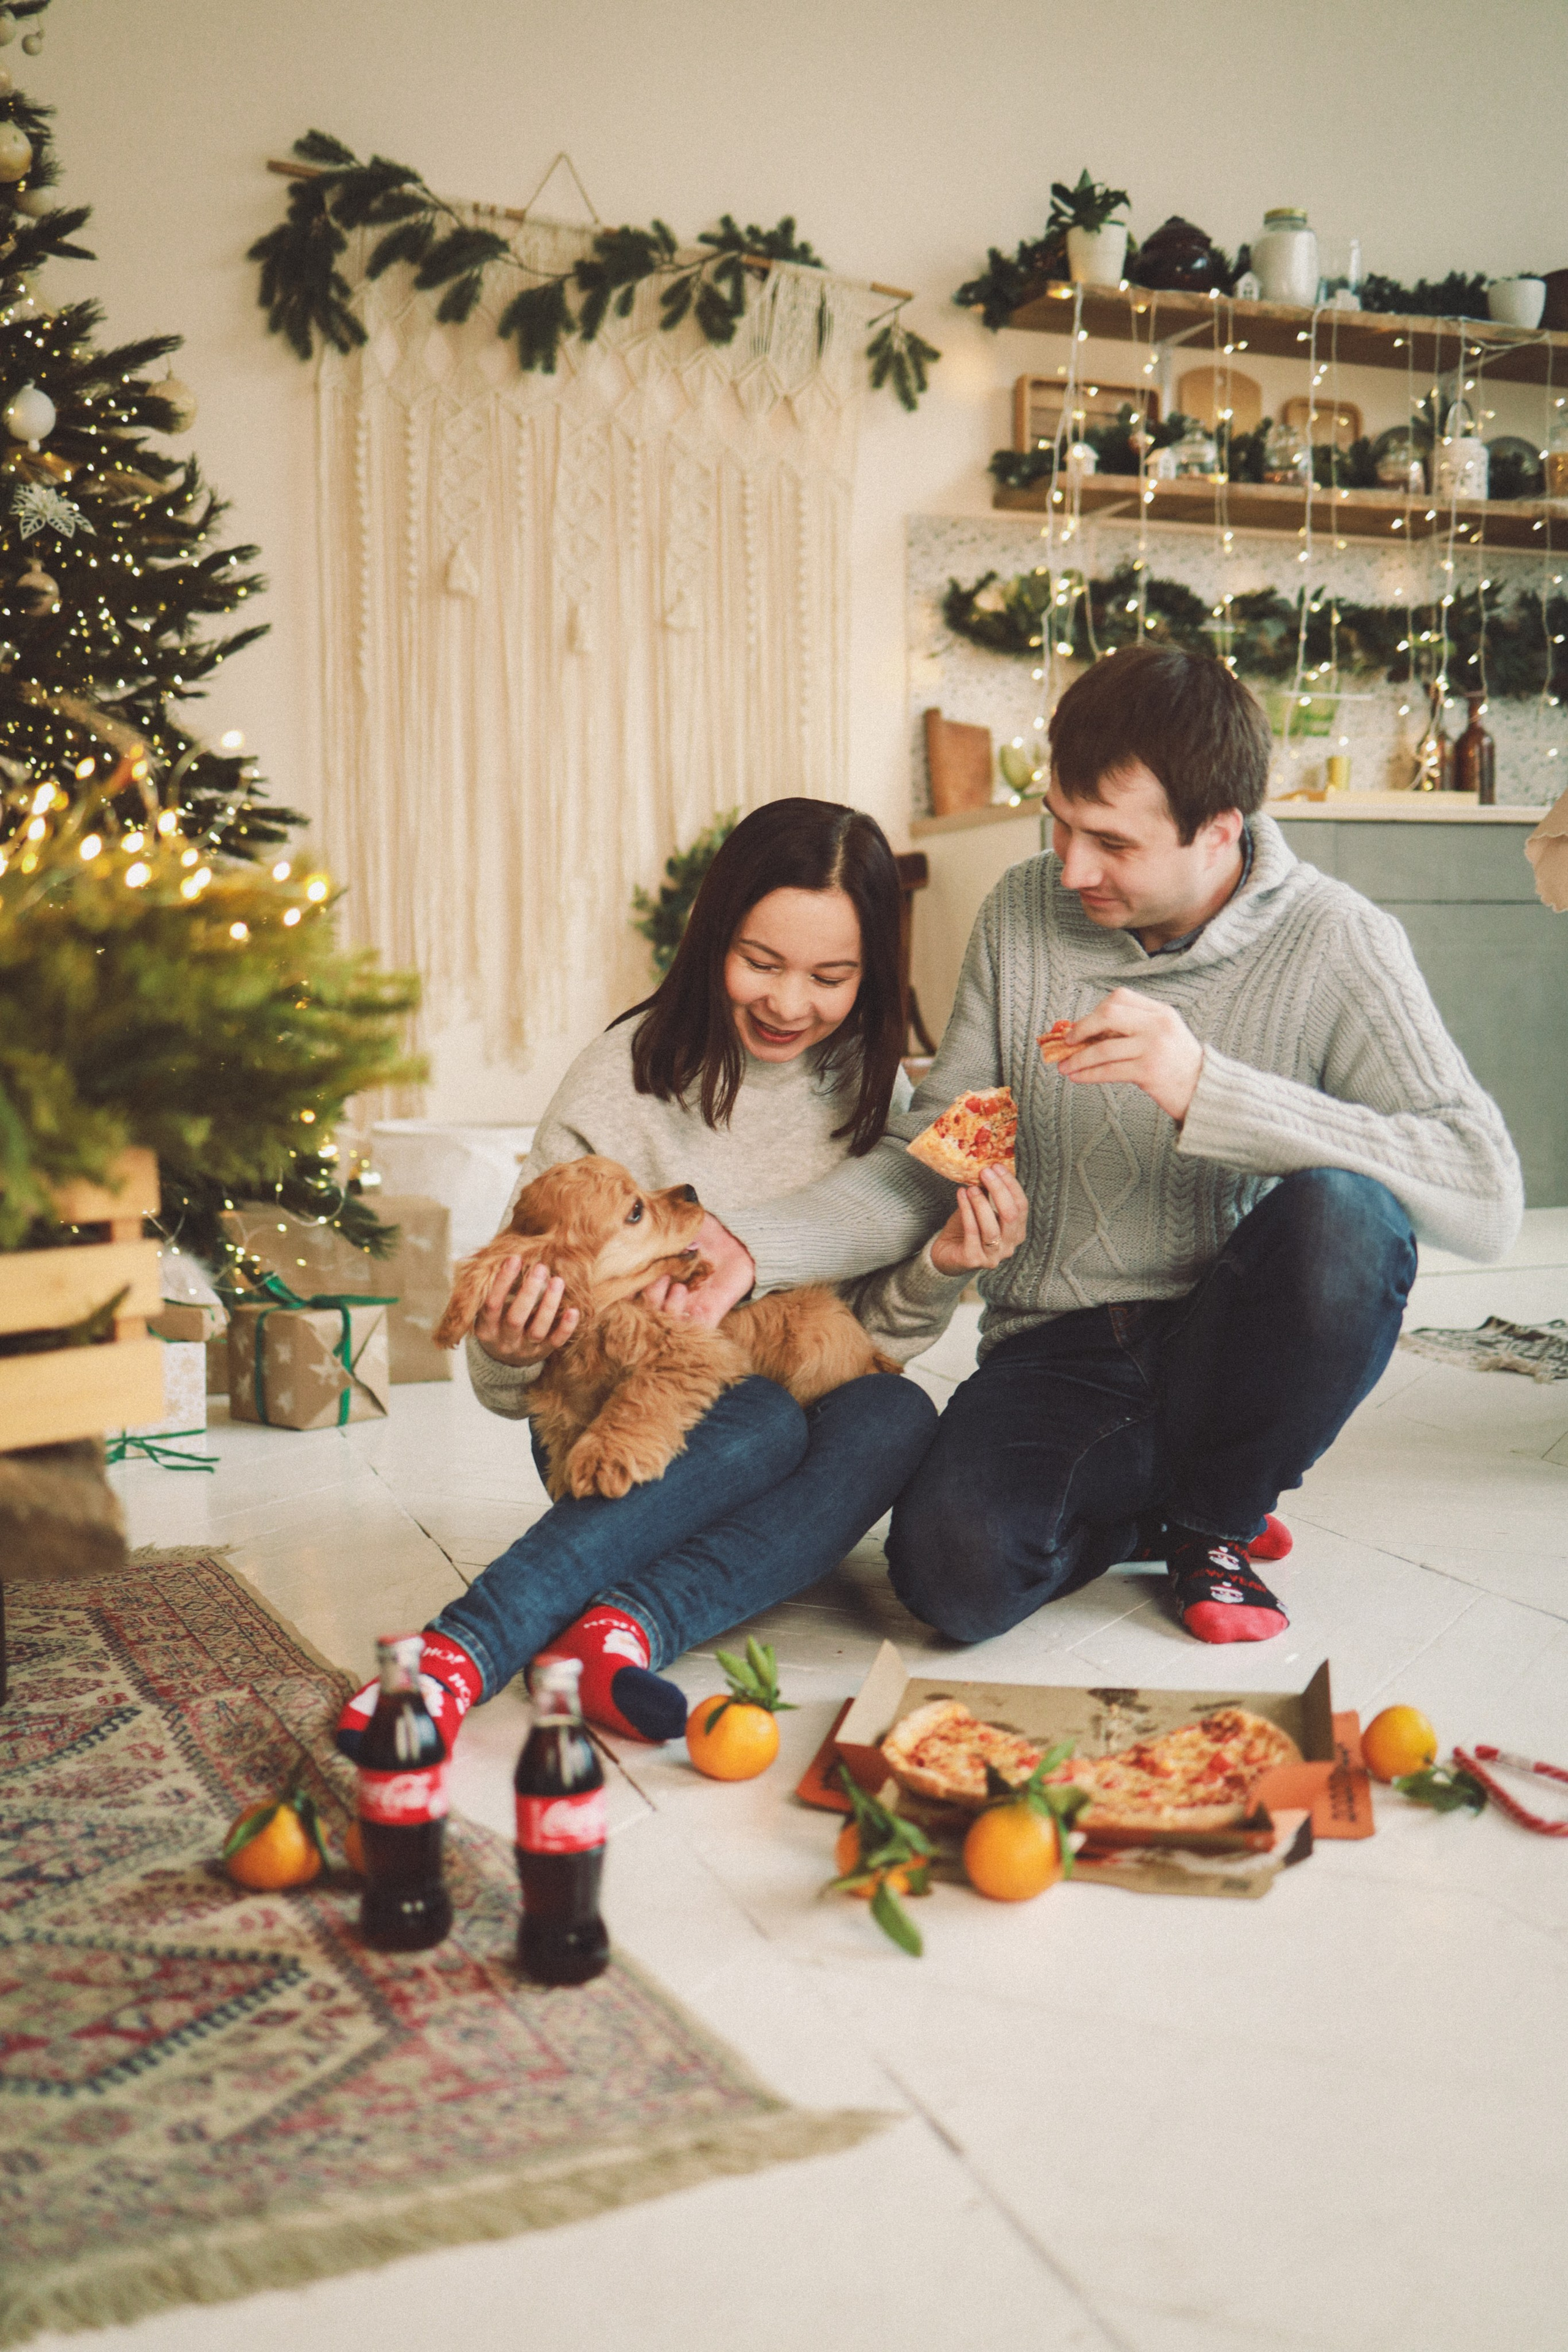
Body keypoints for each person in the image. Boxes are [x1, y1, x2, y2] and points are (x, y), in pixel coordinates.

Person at [703, 647, 1523, 1649]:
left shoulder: (1336, 942)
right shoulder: (1024, 910)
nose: (1072, 866)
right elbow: (939, 1149)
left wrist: (1203, 1089)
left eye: (1111, 842)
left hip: (1239, 1329)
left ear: (1220, 830)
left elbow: (1483, 1187)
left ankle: (1214, 1517)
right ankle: (1177, 1494)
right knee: (949, 1579)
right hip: (1060, 1345)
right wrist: (749, 1247)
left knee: (1349, 1218)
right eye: (1060, 821)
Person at [336, 798, 1025, 1760]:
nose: (790, 1004)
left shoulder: (882, 1094)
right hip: (620, 1429)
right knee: (759, 1420)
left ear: (871, 975)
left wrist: (940, 1270)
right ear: (712, 940)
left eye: (831, 976)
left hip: (783, 1395)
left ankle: (625, 1630)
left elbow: (860, 1338)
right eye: (761, 962)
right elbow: (505, 1387)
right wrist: (510, 1346)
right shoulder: (618, 1083)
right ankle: (466, 1644)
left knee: (897, 1417)